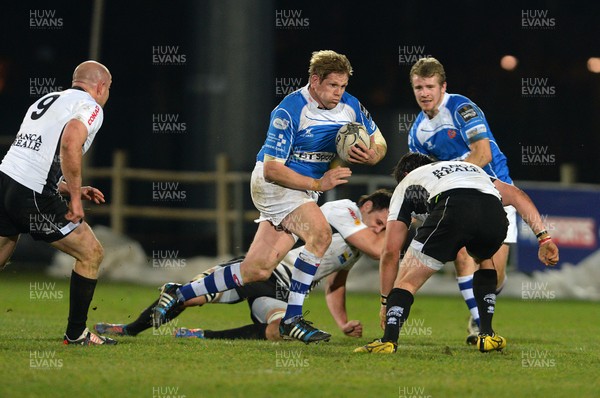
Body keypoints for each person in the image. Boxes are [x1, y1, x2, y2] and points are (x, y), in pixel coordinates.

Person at [152, 50, 387, 343]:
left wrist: (371, 155)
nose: (339, 93)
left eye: (343, 86)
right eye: (332, 86)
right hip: (273, 184)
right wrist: (318, 181)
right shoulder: (288, 111)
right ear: (315, 81)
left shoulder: (350, 105)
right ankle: (292, 319)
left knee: (257, 269)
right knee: (321, 235)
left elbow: (380, 142)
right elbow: (273, 170)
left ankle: (180, 292)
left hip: (302, 190)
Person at [94, 190, 391, 341]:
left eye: (384, 229)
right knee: (192, 297)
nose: (378, 232)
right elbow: (382, 251)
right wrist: (405, 234)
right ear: (365, 208)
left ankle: (201, 335)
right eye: (379, 223)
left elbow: (335, 284)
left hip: (280, 290)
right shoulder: (345, 211)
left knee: (279, 330)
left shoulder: (357, 243)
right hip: (265, 269)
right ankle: (129, 330)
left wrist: (342, 323)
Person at [354, 153, 559, 354]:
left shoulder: (407, 183)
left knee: (407, 280)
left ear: (406, 174)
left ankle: (388, 340)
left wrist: (385, 301)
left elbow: (390, 252)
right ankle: (487, 334)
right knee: (484, 258)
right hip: (494, 213)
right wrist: (544, 238)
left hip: (452, 208)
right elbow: (517, 195)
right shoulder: (470, 169)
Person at [0, 61, 116, 345]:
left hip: (6, 183)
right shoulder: (91, 106)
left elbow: (34, 157)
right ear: (100, 86)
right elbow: (70, 143)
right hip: (31, 193)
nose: (107, 94)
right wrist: (75, 199)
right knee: (91, 253)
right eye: (109, 88)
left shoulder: (49, 99)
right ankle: (77, 333)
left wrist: (68, 187)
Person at [407, 57, 516, 342]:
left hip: (496, 191)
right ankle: (482, 325)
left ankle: (482, 310)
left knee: (495, 272)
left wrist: (452, 178)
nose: (424, 93)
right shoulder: (416, 132)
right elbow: (421, 175)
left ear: (443, 87)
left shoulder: (461, 108)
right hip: (460, 198)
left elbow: (483, 154)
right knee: (462, 256)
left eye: (430, 86)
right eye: (418, 87)